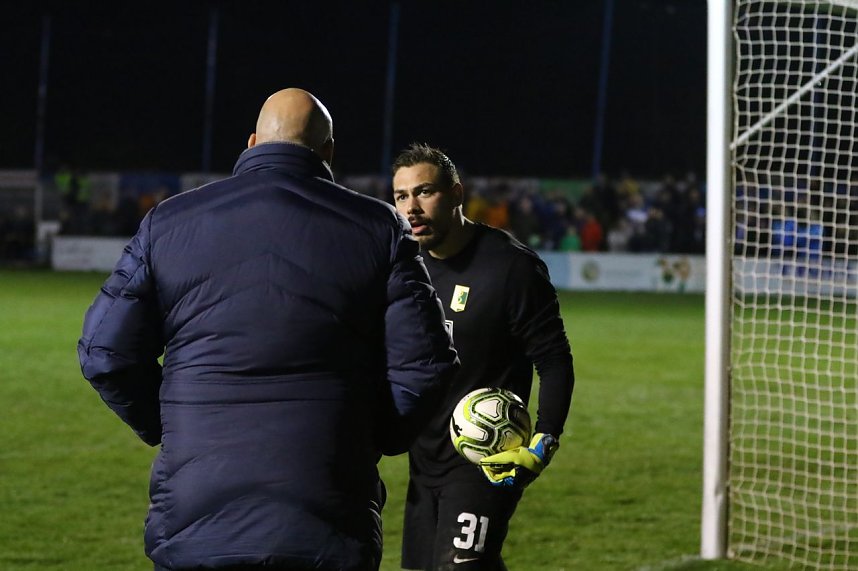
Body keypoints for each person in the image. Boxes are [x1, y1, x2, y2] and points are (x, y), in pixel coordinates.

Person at [77, 89, 459, 571]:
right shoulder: (377, 226)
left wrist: (167, 423)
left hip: (197, 517)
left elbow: (104, 355)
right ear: (328, 152)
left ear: (253, 143)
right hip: (327, 512)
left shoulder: (169, 222)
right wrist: (371, 436)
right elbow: (424, 365)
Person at [391, 143, 575, 570]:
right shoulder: (406, 266)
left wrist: (544, 440)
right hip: (422, 463)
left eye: (424, 192)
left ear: (457, 194)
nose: (412, 207)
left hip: (484, 460)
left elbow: (554, 360)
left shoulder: (512, 268)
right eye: (401, 196)